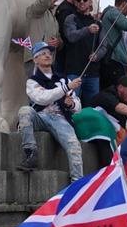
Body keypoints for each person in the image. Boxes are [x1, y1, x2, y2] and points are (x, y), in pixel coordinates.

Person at [16, 42, 83, 182]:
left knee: (74, 146)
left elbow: (78, 105)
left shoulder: (64, 79)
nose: (47, 55)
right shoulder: (32, 81)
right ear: (35, 59)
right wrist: (66, 88)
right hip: (40, 116)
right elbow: (42, 98)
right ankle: (31, 153)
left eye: (49, 53)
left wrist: (71, 105)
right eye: (43, 53)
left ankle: (77, 183)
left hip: (60, 118)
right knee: (24, 111)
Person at [62, 0, 103, 105]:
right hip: (74, 71)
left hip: (93, 73)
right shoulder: (71, 18)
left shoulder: (98, 23)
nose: (81, 2)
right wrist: (87, 30)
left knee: (92, 108)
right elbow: (71, 36)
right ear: (75, 3)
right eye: (78, 0)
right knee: (71, 106)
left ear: (90, 2)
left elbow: (104, 45)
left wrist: (97, 55)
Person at [23, 0, 66, 76]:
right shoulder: (33, 11)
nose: (55, 0)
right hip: (35, 61)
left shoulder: (53, 18)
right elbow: (45, 0)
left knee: (46, 93)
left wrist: (58, 42)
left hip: (49, 63)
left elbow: (60, 41)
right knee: (37, 92)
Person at [54, 0, 93, 75]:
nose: (83, 1)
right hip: (64, 60)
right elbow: (68, 36)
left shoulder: (72, 8)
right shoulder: (66, 11)